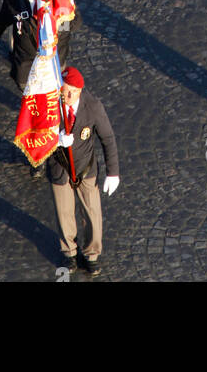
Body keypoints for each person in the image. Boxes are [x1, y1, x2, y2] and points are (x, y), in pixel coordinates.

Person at [47, 66, 119, 277]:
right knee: (64, 212)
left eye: (74, 92)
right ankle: (69, 251)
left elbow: (107, 138)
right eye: (66, 90)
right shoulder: (51, 104)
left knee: (92, 213)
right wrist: (56, 140)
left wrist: (113, 173)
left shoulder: (93, 107)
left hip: (85, 168)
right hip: (60, 167)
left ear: (81, 91)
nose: (68, 96)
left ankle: (92, 254)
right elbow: (37, 134)